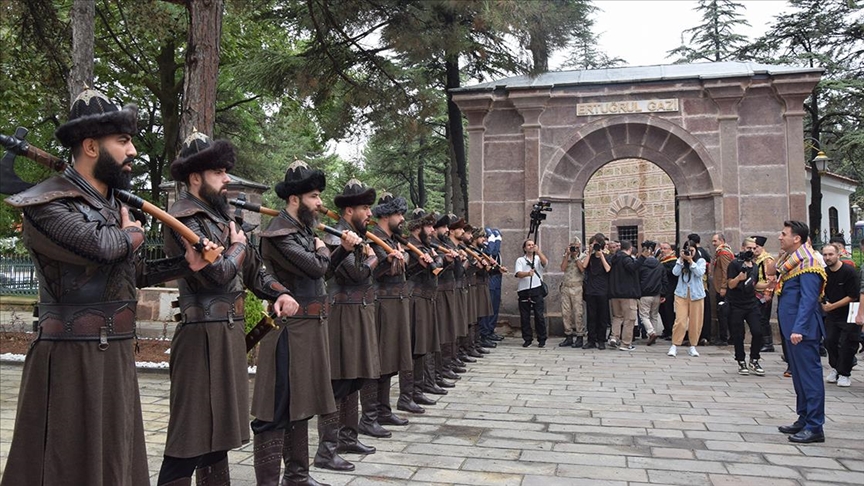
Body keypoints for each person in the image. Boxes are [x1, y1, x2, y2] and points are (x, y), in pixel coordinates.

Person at [2, 89, 212, 486]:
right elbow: (102, 247)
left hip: (114, 352)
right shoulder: (47, 204)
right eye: (123, 140)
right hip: (70, 358)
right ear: (91, 146)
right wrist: (133, 232)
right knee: (65, 465)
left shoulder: (112, 205)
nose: (133, 150)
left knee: (116, 461)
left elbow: (132, 272)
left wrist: (186, 264)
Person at [158, 133, 298, 485]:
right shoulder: (182, 218)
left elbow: (253, 271)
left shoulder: (220, 219)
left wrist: (280, 292)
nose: (226, 180)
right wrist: (237, 246)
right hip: (199, 336)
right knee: (189, 435)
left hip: (227, 333)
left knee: (218, 432)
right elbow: (216, 273)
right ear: (195, 177)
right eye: (218, 173)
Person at [251, 160, 360, 483]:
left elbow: (321, 273)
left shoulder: (302, 231)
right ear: (294, 199)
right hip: (289, 330)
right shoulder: (279, 234)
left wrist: (340, 251)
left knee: (302, 404)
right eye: (314, 196)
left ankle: (297, 476)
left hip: (310, 328)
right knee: (277, 408)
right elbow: (315, 267)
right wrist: (325, 249)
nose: (319, 203)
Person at [320, 179, 382, 462]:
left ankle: (348, 438)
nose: (369, 213)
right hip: (343, 315)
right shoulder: (337, 238)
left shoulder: (357, 236)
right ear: (349, 211)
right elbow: (355, 274)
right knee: (340, 381)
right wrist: (373, 259)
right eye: (365, 208)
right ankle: (327, 449)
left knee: (354, 378)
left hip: (358, 312)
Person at [776, 220, 827, 444]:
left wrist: (799, 328)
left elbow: (808, 299)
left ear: (796, 238)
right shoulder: (793, 260)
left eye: (784, 234)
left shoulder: (809, 261)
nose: (780, 237)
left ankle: (815, 426)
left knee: (809, 377)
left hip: (802, 331)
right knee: (798, 377)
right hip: (792, 329)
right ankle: (804, 418)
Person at [369, 193, 418, 421]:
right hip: (382, 304)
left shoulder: (392, 240)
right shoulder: (374, 238)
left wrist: (402, 257)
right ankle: (374, 413)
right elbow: (380, 270)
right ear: (386, 215)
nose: (402, 219)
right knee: (382, 358)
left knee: (392, 358)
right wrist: (395, 259)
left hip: (396, 302)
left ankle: (384, 409)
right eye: (398, 214)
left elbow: (401, 264)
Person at [404, 208, 444, 405]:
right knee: (416, 347)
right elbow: (404, 272)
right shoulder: (409, 246)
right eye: (428, 226)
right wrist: (419, 264)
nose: (432, 230)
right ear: (418, 227)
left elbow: (438, 268)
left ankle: (421, 387)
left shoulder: (425, 246)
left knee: (425, 344)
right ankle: (408, 395)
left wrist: (437, 259)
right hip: (415, 299)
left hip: (427, 298)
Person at [821, 243, 859, 387]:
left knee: (847, 343)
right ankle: (835, 368)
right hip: (832, 314)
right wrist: (824, 303)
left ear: (838, 255)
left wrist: (833, 306)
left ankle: (844, 373)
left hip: (849, 313)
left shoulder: (849, 272)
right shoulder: (824, 273)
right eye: (825, 255)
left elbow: (853, 296)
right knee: (829, 340)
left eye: (831, 254)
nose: (828, 257)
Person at [726, 238, 765, 376]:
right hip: (736, 304)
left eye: (754, 248)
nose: (752, 251)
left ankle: (754, 359)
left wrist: (768, 285)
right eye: (749, 248)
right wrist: (738, 278)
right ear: (743, 248)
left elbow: (755, 284)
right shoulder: (734, 264)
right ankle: (741, 360)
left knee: (758, 331)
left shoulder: (755, 266)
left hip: (751, 303)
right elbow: (730, 285)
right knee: (738, 334)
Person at [668, 239, 707, 358]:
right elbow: (675, 273)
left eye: (692, 250)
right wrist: (681, 260)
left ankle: (693, 345)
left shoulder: (700, 261)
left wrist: (691, 261)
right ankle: (675, 344)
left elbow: (700, 273)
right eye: (687, 250)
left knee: (696, 321)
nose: (689, 253)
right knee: (680, 320)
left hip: (697, 295)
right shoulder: (680, 261)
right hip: (681, 294)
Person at [514, 239, 549, 347]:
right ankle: (527, 338)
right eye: (528, 245)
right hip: (524, 290)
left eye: (532, 245)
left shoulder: (537, 258)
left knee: (539, 315)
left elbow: (545, 263)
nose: (531, 246)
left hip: (536, 288)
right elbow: (518, 273)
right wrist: (527, 274)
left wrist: (538, 251)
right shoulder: (520, 260)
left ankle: (542, 338)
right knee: (525, 316)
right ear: (524, 248)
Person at [608, 240, 641, 351]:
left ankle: (614, 337)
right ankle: (626, 344)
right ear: (630, 248)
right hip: (627, 294)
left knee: (617, 317)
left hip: (615, 294)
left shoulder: (614, 259)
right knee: (629, 319)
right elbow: (632, 268)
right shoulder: (626, 259)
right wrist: (643, 258)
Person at [581, 234, 611, 349]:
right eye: (592, 244)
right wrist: (589, 253)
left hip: (602, 290)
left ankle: (601, 339)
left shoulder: (607, 257)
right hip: (591, 290)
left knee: (602, 316)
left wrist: (601, 255)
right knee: (591, 316)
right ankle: (591, 340)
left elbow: (608, 269)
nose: (594, 246)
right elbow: (584, 266)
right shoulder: (590, 257)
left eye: (596, 244)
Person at [637, 240, 667, 346]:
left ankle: (651, 332)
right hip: (656, 294)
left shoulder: (640, 264)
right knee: (654, 315)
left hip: (644, 294)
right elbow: (664, 281)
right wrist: (663, 294)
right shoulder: (660, 265)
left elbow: (637, 279)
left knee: (644, 315)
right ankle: (652, 334)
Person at [559, 236, 586, 348]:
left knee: (578, 312)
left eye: (576, 247)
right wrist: (567, 255)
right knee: (565, 312)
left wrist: (576, 257)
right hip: (566, 286)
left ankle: (580, 335)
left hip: (577, 287)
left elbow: (582, 269)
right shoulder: (566, 255)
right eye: (572, 246)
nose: (574, 249)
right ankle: (568, 335)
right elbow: (563, 268)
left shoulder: (583, 256)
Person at [752, 236, 777, 353]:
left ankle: (768, 343)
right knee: (759, 318)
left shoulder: (767, 259)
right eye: (753, 248)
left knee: (764, 318)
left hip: (764, 293)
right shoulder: (756, 259)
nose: (754, 250)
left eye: (756, 247)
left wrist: (768, 293)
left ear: (762, 247)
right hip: (757, 292)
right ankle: (762, 342)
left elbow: (771, 277)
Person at [711, 232, 734, 345]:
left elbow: (726, 271)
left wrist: (723, 287)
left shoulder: (724, 253)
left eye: (715, 241)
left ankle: (724, 337)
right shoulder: (720, 252)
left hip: (722, 287)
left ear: (721, 241)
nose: (713, 243)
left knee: (723, 313)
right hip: (720, 286)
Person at [658, 242, 678, 340]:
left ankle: (671, 330)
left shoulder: (673, 261)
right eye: (661, 248)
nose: (662, 250)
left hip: (670, 289)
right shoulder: (661, 260)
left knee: (668, 310)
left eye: (665, 248)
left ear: (671, 250)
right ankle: (666, 329)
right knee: (662, 310)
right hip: (662, 289)